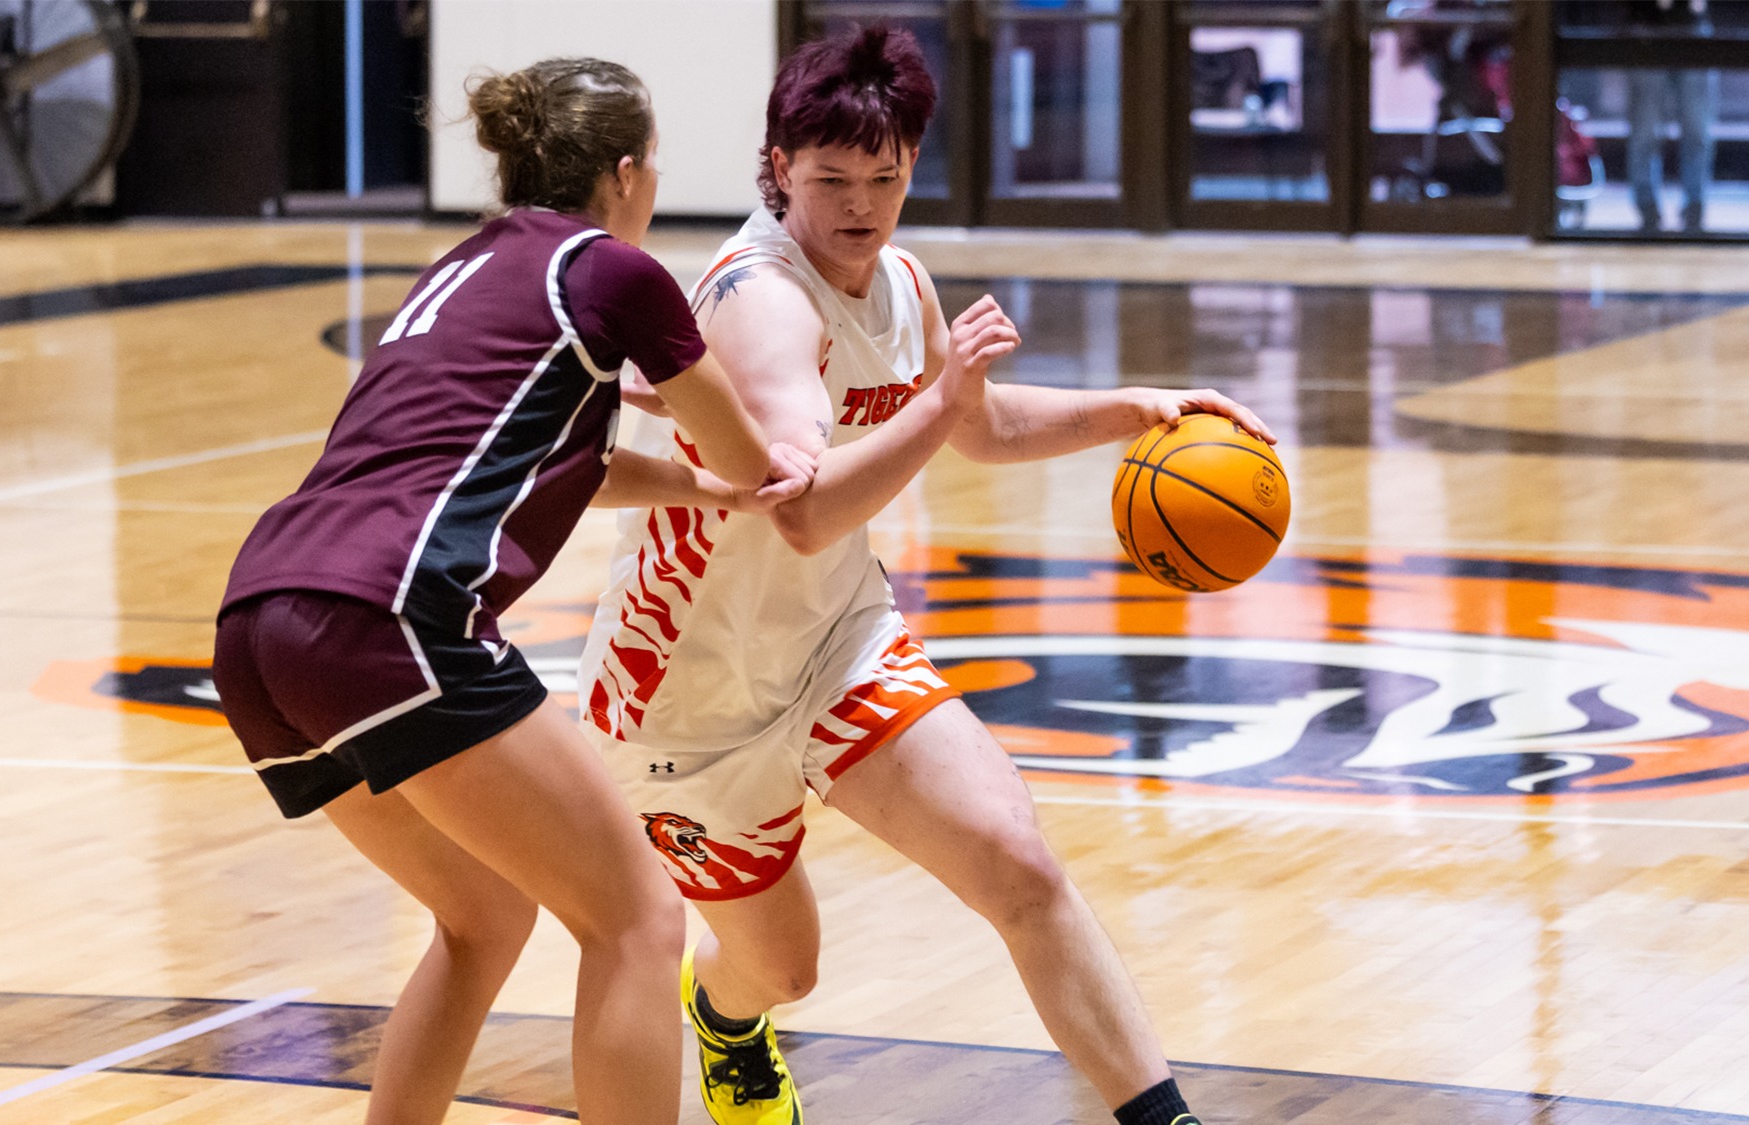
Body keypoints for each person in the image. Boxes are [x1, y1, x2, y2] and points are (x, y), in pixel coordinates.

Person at [579, 26, 1276, 1125]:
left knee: (1015, 858)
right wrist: (933, 406)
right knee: (781, 970)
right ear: (776, 170)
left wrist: (1134, 408)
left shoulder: (897, 277)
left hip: (833, 639)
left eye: (885, 177)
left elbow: (980, 426)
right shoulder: (764, 303)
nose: (861, 205)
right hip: (686, 696)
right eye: (830, 181)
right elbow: (802, 511)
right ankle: (724, 1015)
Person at [210, 58, 815, 1125]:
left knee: (483, 916)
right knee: (636, 919)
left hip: (262, 620)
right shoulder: (615, 274)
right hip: (389, 617)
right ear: (626, 173)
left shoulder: (460, 266)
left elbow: (538, 465)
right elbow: (754, 453)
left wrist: (694, 487)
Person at [1625, 0, 1717, 233]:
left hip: (1693, 29)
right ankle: (1647, 207)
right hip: (1647, 28)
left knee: (1697, 127)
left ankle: (1695, 204)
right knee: (1645, 129)